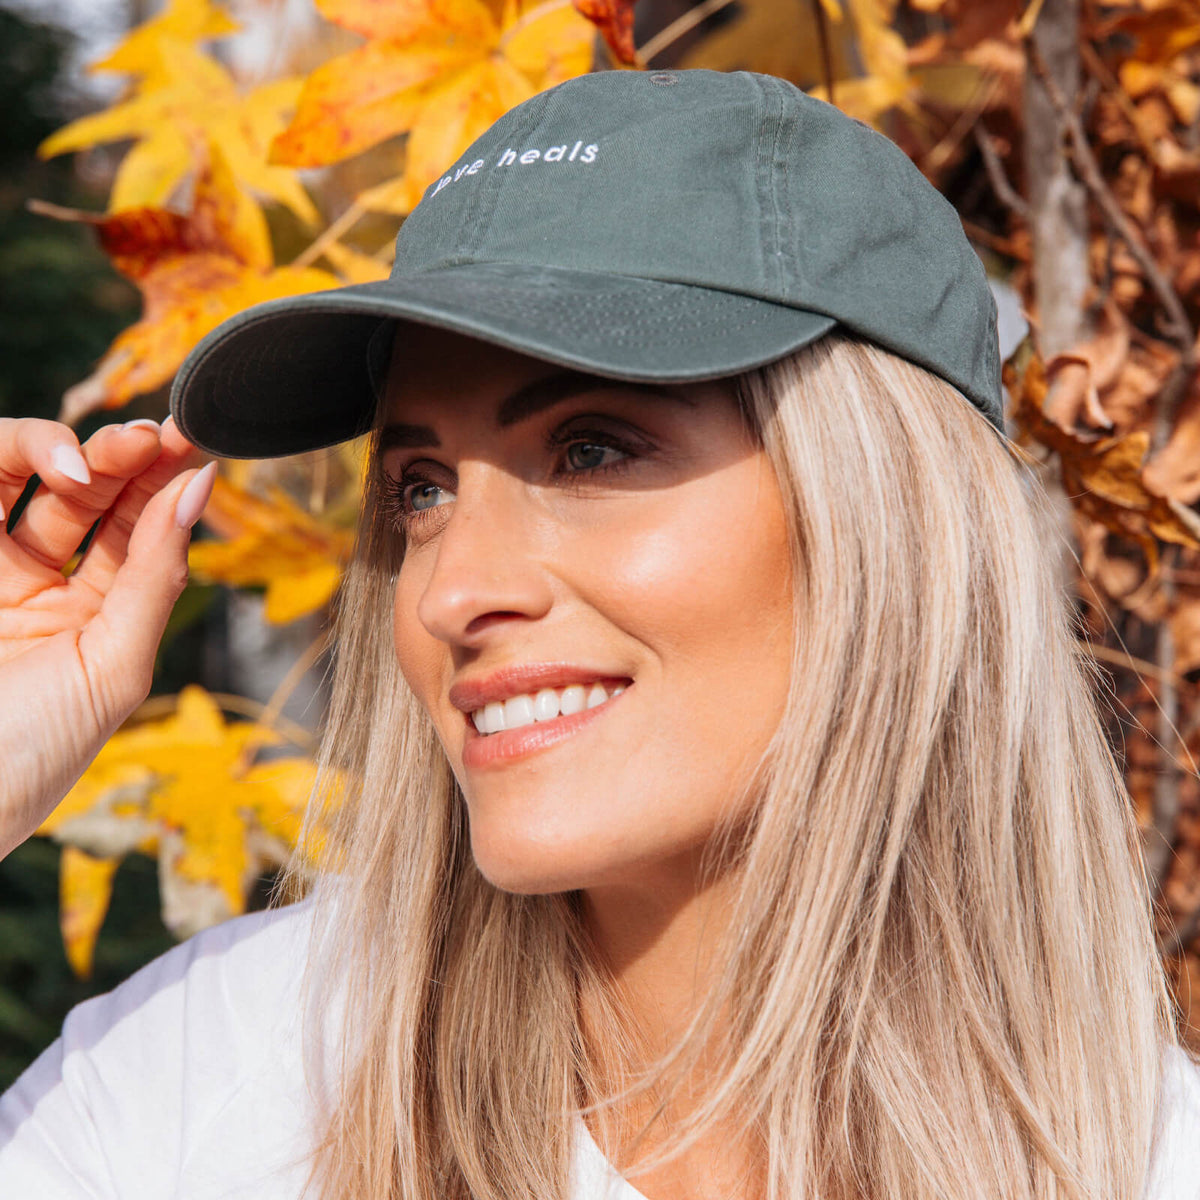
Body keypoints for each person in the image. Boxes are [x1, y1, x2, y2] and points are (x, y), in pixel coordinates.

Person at [0, 67, 1197, 1200]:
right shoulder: (207, 1082)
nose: (449, 594)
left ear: (882, 520)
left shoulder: (1147, 1159)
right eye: (421, 487)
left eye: (591, 449)